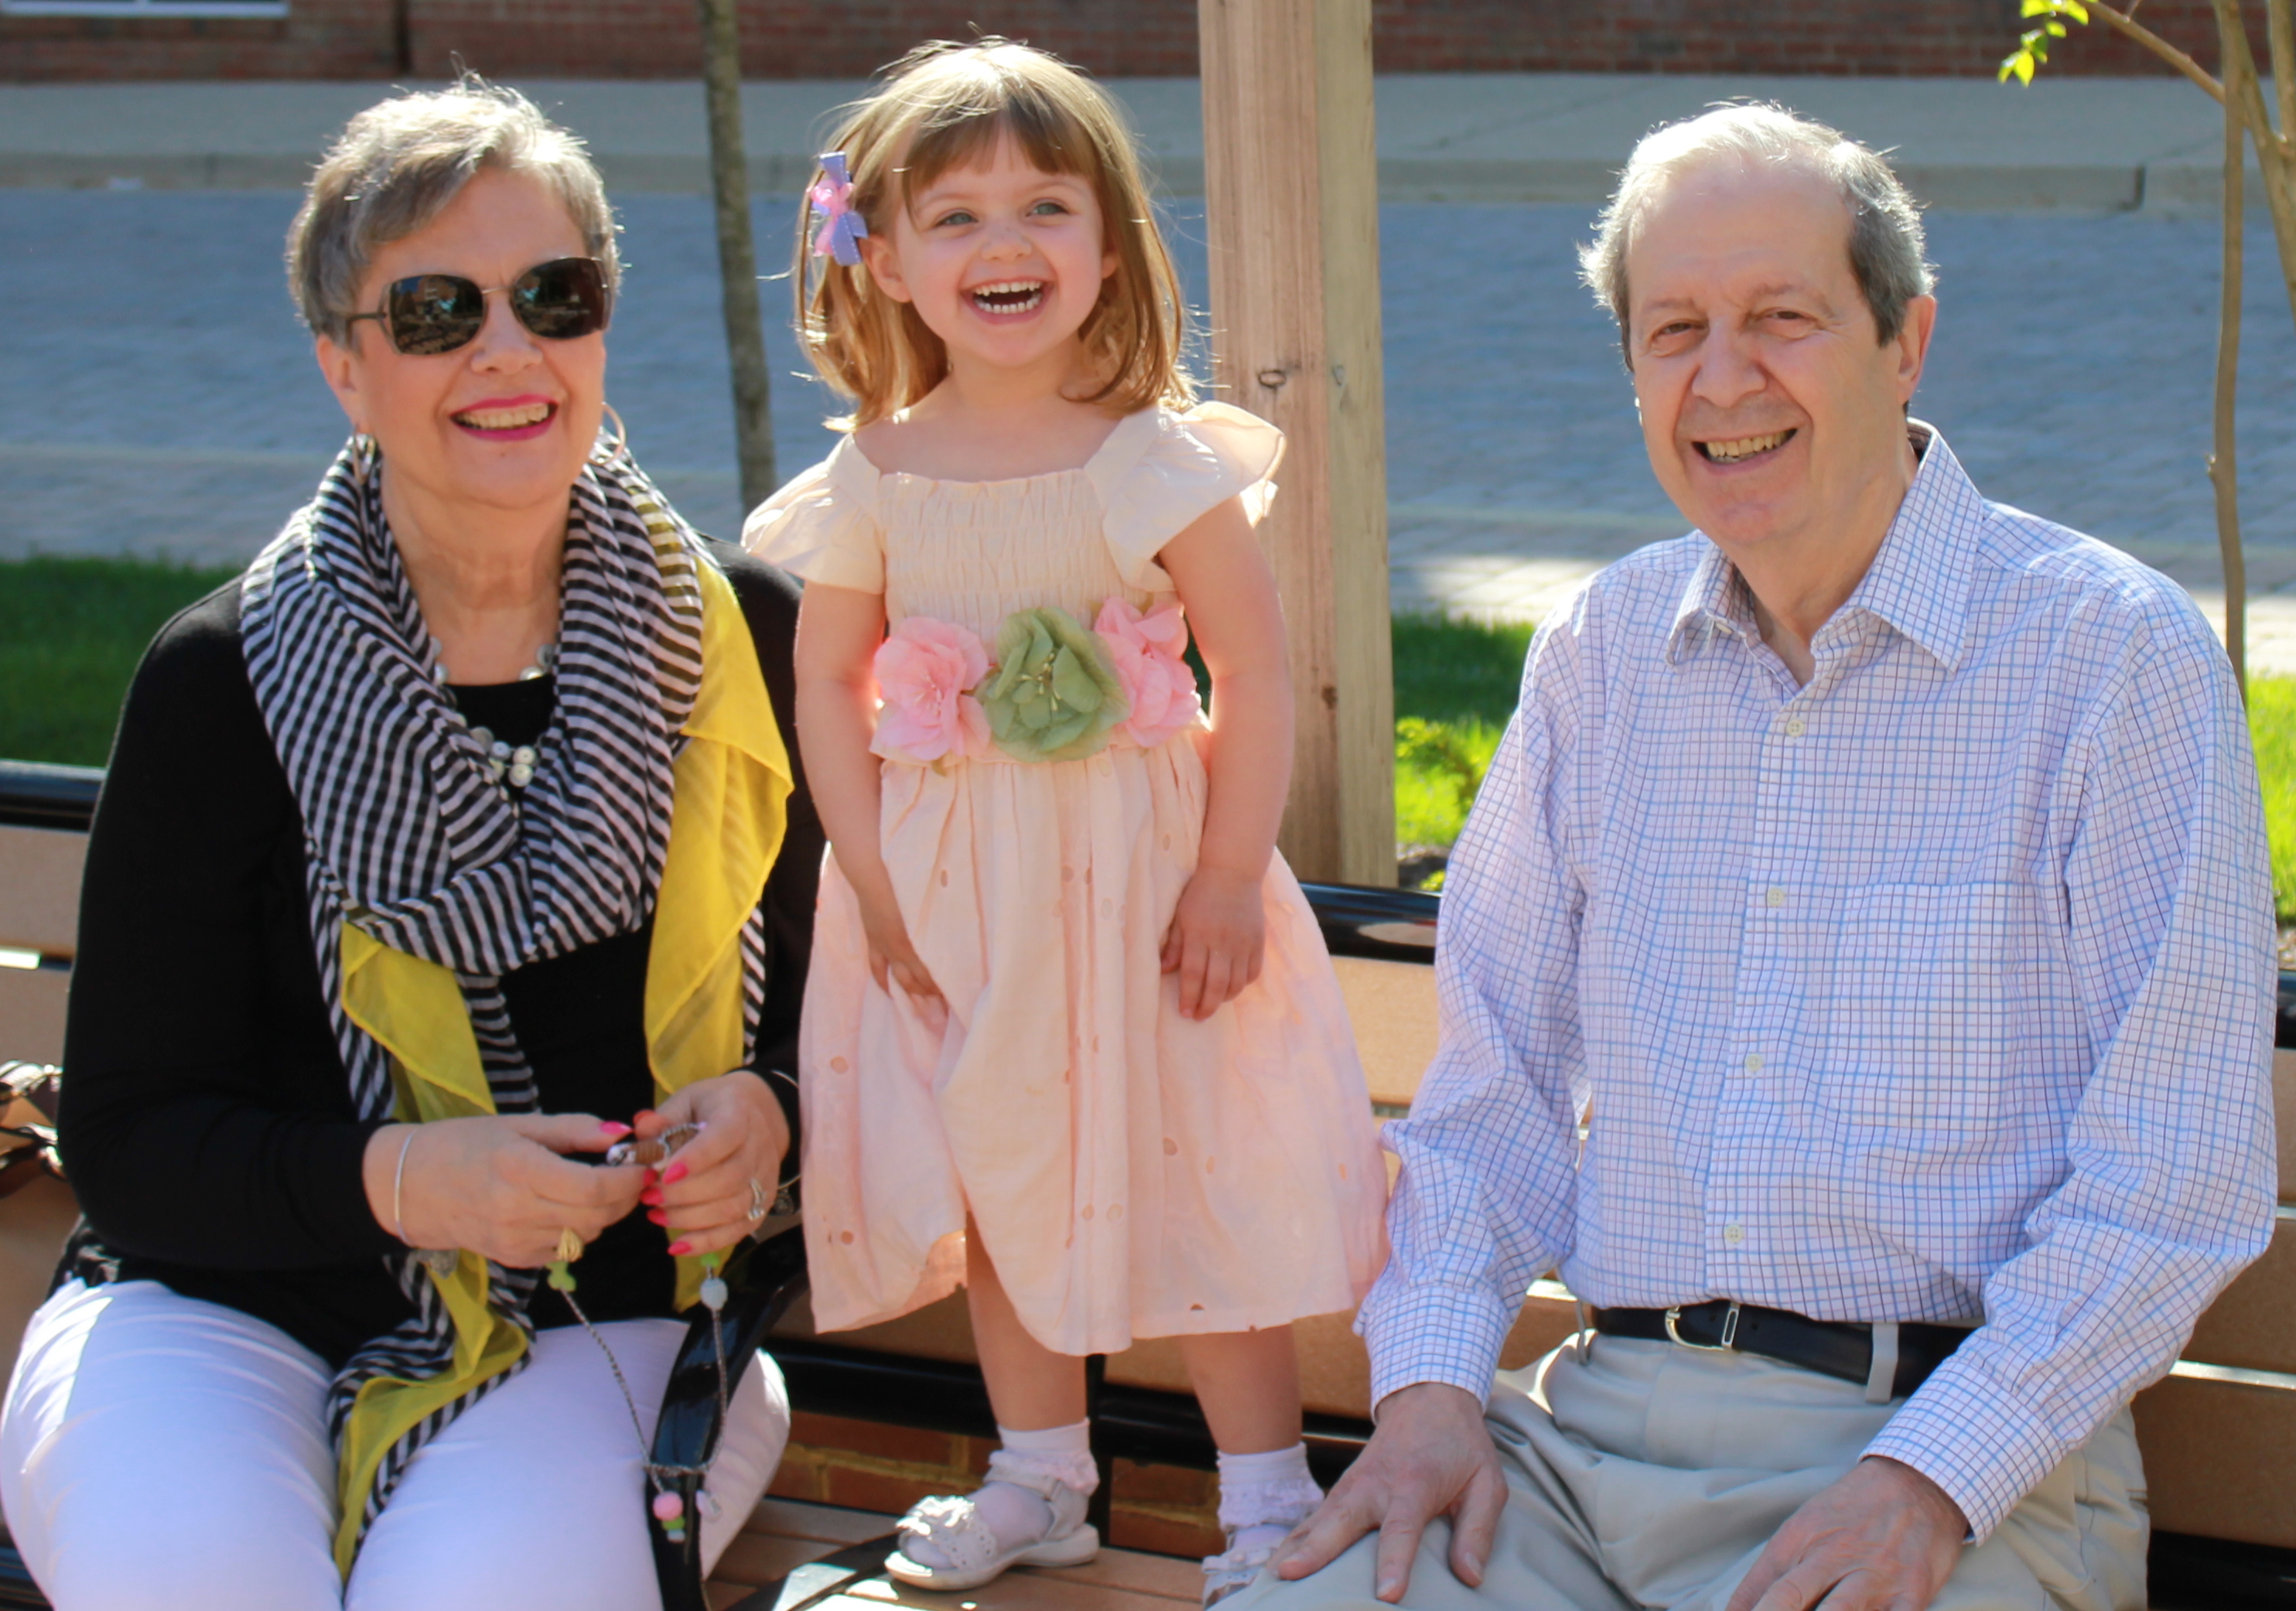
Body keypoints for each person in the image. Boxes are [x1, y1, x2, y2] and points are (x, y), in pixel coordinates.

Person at [1240, 104, 2279, 1611]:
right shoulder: (1601, 653)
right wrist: (1428, 1394)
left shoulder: (2109, 658)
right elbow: (1490, 1099)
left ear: (1906, 341)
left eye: (1782, 318)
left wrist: (1934, 1476)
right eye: (1674, 332)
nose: (1723, 379)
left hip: (1952, 1461)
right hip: (1586, 1448)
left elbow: (2173, 1178)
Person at [0, 80, 826, 1610]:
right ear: (345, 365)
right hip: (214, 1303)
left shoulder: (747, 643)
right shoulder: (226, 679)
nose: (506, 349)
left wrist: (778, 1117)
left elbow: (864, 1024)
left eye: (552, 296)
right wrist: (399, 1181)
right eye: (438, 311)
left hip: (603, 1324)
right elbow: (129, 1134)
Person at [744, 39, 1389, 1609]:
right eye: (955, 216)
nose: (1006, 242)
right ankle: (1042, 1475)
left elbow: (1250, 668)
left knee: (1199, 1162)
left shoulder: (1147, 459)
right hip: (956, 897)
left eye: (1045, 205)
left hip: (1151, 894)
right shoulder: (876, 475)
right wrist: (869, 877)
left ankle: (1264, 1500)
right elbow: (825, 679)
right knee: (997, 1166)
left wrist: (1229, 876)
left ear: (1108, 246)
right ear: (884, 260)